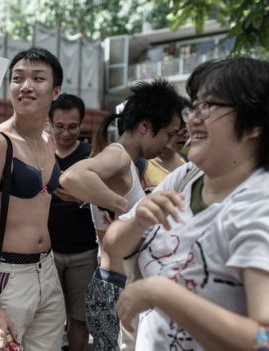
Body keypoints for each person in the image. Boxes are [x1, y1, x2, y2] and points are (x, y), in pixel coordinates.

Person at [104, 57, 269, 350]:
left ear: (255, 123)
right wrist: (139, 218)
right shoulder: (187, 179)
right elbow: (114, 244)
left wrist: (164, 294)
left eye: (208, 107)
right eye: (193, 107)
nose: (191, 119)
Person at [59, 79, 184, 350]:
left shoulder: (125, 160)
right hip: (117, 285)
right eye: (168, 133)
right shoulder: (118, 157)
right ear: (145, 126)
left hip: (115, 282)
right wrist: (125, 208)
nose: (168, 142)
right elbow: (71, 177)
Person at [0, 47, 66, 350]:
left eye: (38, 78)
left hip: (47, 271)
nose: (25, 86)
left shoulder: (47, 141)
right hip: (6, 276)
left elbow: (56, 190)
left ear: (55, 91)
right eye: (17, 78)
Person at [47, 93, 97, 351]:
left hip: (84, 251)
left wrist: (84, 197)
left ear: (81, 124)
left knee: (80, 317)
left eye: (72, 127)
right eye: (59, 126)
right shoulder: (39, 152)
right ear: (50, 123)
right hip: (46, 252)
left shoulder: (92, 155)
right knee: (50, 317)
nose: (66, 133)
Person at [142, 122, 188, 193]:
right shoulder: (143, 165)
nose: (185, 135)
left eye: (186, 131)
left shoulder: (187, 165)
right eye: (176, 131)